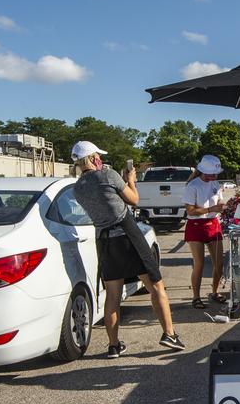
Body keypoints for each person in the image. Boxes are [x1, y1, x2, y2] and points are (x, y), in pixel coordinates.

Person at [70, 141, 184, 357]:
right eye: (98, 156)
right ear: (94, 158)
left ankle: (113, 345)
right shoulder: (108, 175)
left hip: (104, 240)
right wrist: (131, 181)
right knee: (156, 285)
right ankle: (169, 334)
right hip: (127, 233)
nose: (101, 159)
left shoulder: (78, 188)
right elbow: (134, 200)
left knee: (113, 294)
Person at [183, 154, 227, 309]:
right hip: (195, 226)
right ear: (203, 171)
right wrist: (211, 209)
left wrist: (223, 205)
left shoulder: (215, 183)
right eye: (211, 174)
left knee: (219, 263)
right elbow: (190, 211)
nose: (214, 177)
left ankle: (214, 292)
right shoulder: (192, 185)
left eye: (215, 174)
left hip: (213, 224)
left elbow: (219, 200)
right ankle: (196, 297)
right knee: (199, 264)